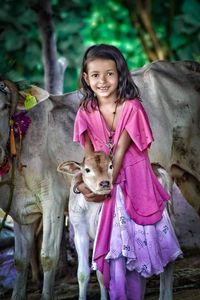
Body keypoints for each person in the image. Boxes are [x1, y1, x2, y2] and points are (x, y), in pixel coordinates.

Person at [73, 44, 182, 300]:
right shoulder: (85, 112)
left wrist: (105, 187)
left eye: (110, 74)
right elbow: (89, 156)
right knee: (115, 248)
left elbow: (120, 152)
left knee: (136, 242)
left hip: (133, 178)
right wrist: (88, 185)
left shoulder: (131, 107)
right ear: (86, 79)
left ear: (121, 75)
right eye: (96, 75)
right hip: (105, 177)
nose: (103, 81)